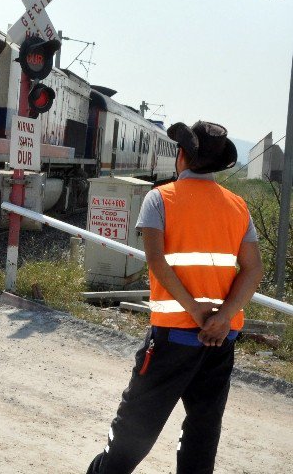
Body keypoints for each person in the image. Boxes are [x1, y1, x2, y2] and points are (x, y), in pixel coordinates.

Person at [86, 120, 264, 474]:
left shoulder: (160, 198)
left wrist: (196, 312)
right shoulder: (238, 207)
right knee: (203, 427)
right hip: (220, 339)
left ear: (182, 156)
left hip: (173, 336)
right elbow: (253, 269)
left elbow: (156, 261)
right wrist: (222, 317)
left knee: (136, 425)